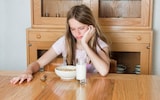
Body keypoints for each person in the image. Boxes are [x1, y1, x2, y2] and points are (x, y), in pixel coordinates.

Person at [10, 4, 111, 84]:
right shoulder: (65, 41)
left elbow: (103, 71)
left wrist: (85, 44)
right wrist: (27, 72)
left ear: (91, 27)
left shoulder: (100, 45)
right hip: (67, 87)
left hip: (91, 87)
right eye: (73, 29)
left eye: (81, 28)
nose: (77, 33)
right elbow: (38, 63)